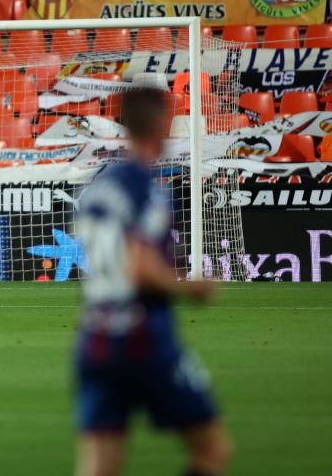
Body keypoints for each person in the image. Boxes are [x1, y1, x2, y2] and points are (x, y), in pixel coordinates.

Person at [73, 87, 233, 476]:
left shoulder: (98, 187)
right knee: (213, 449)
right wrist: (191, 287)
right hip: (143, 336)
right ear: (161, 126)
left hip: (95, 336)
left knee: (99, 466)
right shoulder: (146, 189)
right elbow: (139, 268)